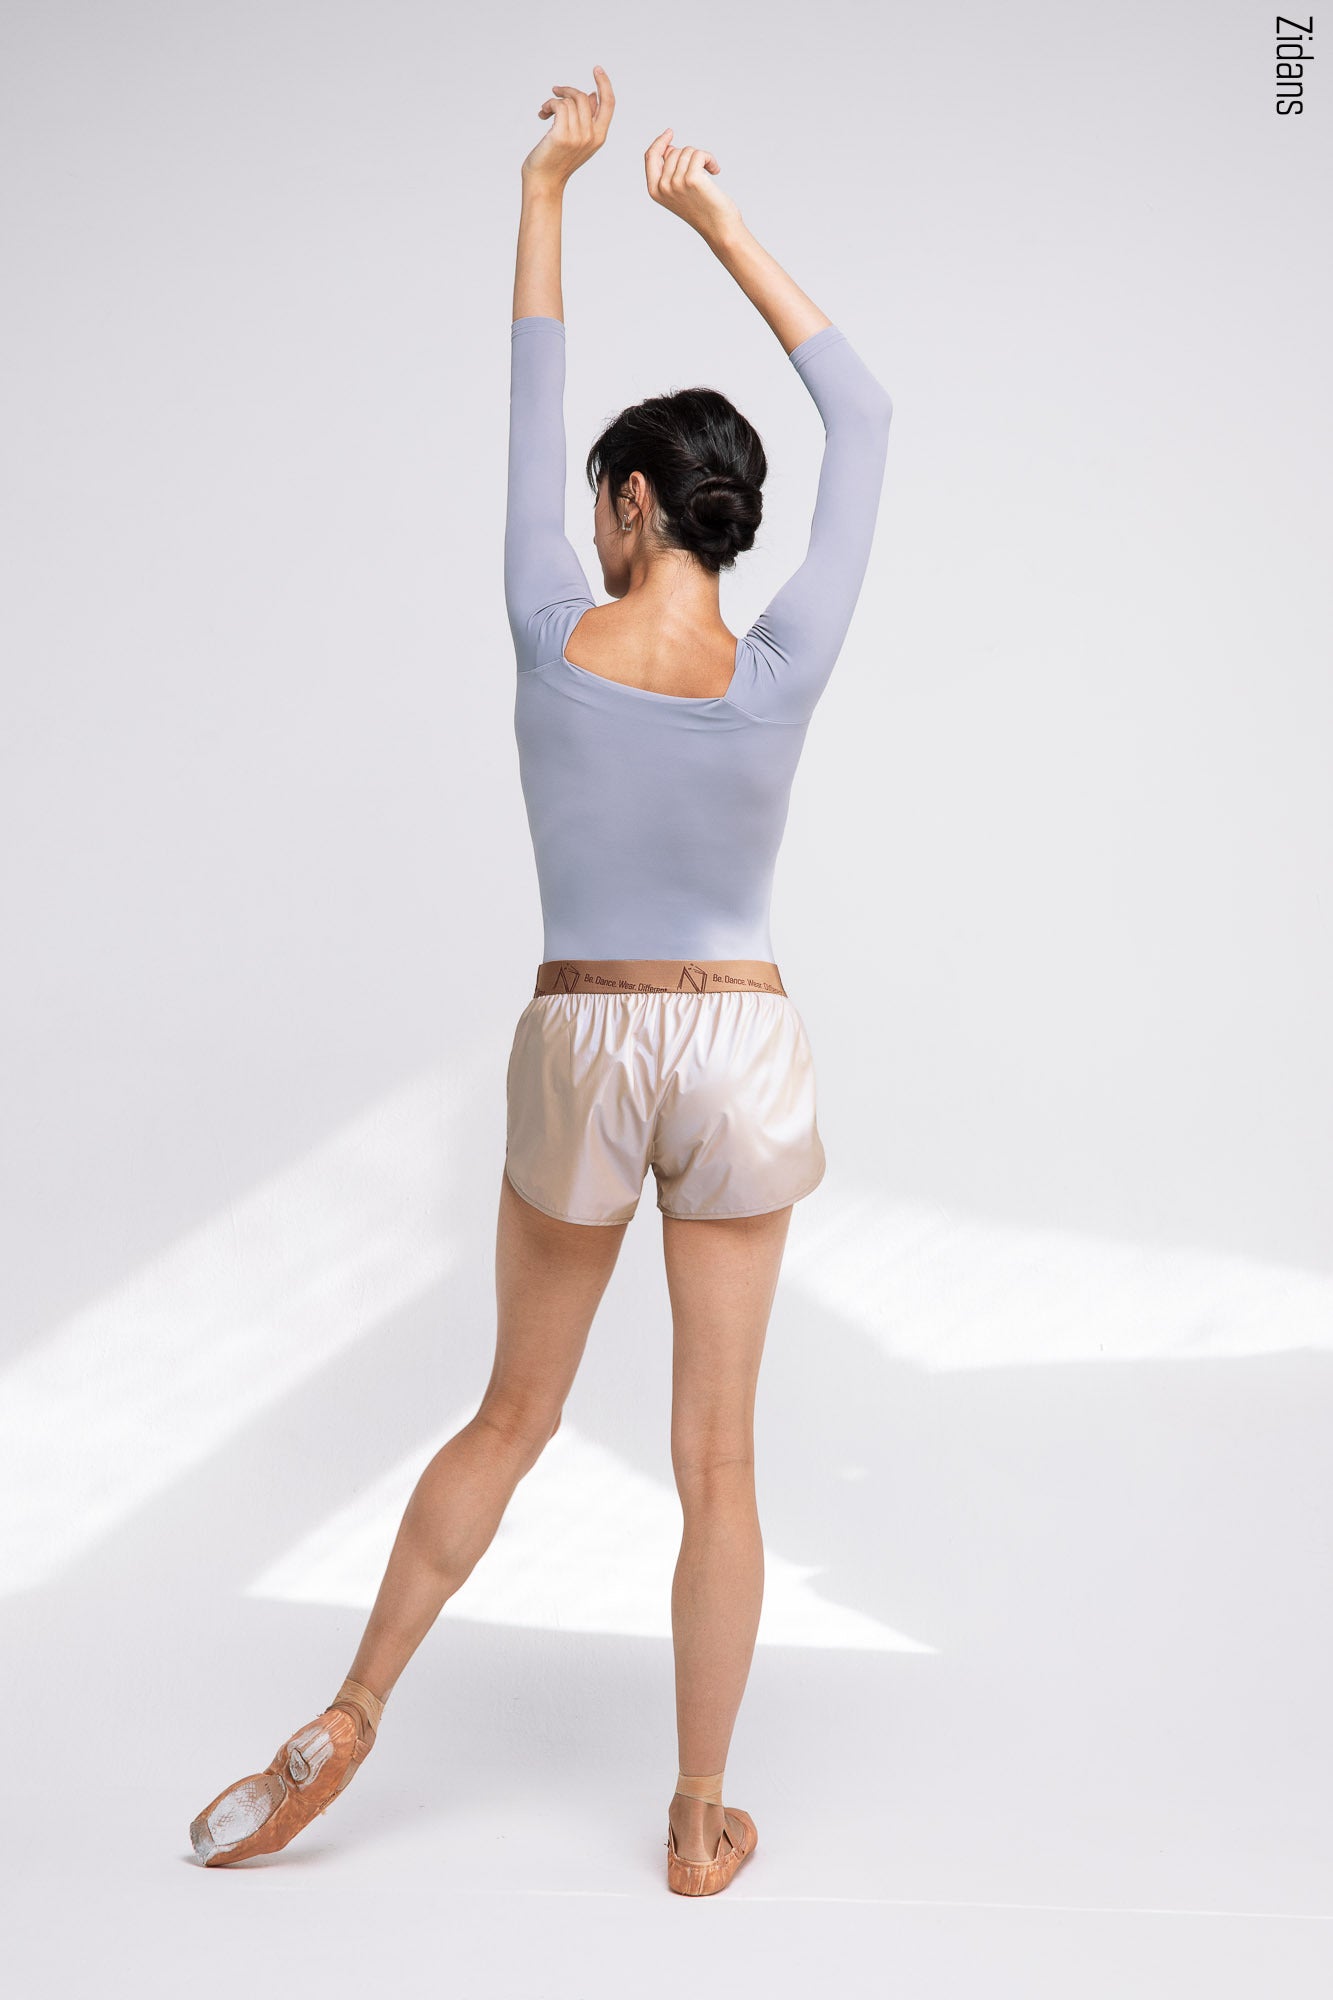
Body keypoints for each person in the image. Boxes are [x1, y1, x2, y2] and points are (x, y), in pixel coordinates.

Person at [189, 65, 892, 1898]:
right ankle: (697, 1819)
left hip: (580, 1028)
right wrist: (714, 218)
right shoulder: (781, 666)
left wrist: (548, 191)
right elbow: (866, 413)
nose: (589, 530)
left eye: (602, 508)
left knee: (512, 1415)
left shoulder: (542, 628)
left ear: (637, 503)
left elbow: (528, 390)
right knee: (716, 1461)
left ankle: (351, 1710)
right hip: (736, 1037)